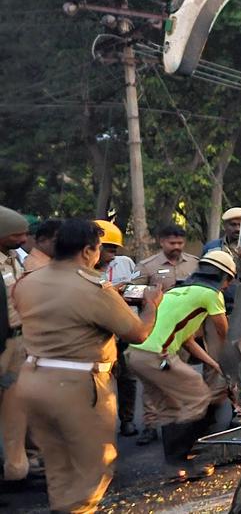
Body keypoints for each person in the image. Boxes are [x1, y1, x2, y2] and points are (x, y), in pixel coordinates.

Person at [11, 218, 161, 513]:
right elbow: (137, 333)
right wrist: (152, 305)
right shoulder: (94, 288)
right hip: (76, 387)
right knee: (93, 466)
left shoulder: (28, 281)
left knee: (58, 464)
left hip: (32, 380)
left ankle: (62, 506)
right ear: (87, 251)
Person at [127, 249, 234, 481]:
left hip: (136, 355)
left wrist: (215, 365)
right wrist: (232, 360)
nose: (226, 287)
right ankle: (184, 456)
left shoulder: (180, 291)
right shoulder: (211, 294)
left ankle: (174, 467)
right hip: (157, 357)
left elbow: (186, 339)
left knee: (171, 408)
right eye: (228, 282)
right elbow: (223, 331)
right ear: (224, 278)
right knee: (199, 395)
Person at [133, 223, 200, 445]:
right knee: (153, 380)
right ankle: (151, 424)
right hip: (156, 331)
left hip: (183, 331)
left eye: (180, 243)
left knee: (179, 375)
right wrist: (154, 295)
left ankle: (178, 422)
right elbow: (130, 292)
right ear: (161, 242)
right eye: (172, 243)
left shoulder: (194, 263)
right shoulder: (147, 266)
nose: (177, 247)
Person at [94, 220, 142, 438]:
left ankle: (128, 420)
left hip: (124, 330)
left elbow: (134, 289)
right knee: (99, 382)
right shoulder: (82, 270)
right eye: (107, 249)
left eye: (114, 249)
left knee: (128, 378)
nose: (111, 254)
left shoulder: (125, 263)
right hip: (98, 335)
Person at [0, 206, 34, 486]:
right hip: (2, 344)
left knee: (17, 409)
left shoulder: (14, 259)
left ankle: (16, 470)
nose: (24, 239)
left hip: (18, 341)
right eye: (17, 235)